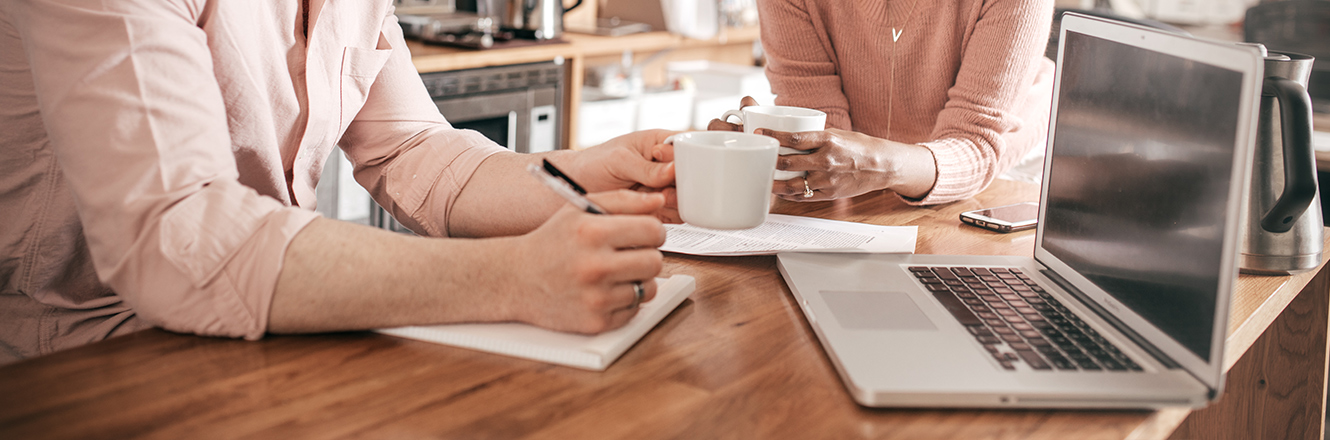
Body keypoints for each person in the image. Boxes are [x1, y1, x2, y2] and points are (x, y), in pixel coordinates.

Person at [0, 1, 679, 364]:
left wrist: (588, 172)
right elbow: (176, 233)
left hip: (251, 337)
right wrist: (513, 279)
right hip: (70, 361)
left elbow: (413, 150)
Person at [709, 0, 1055, 205]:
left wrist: (882, 165)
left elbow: (975, 147)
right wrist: (781, 153)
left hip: (1003, 165)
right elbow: (822, 128)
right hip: (860, 174)